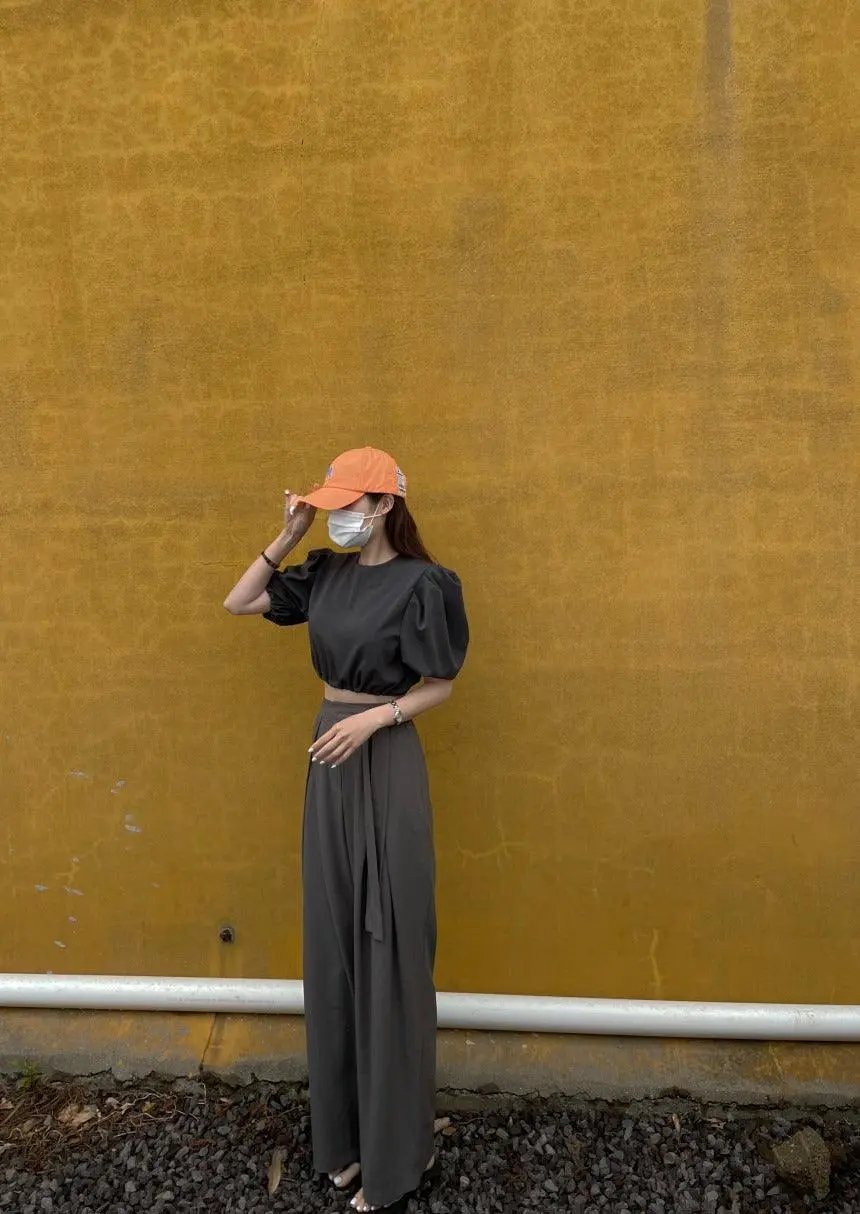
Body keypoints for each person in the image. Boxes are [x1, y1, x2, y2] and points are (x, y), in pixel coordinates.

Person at [223, 446, 469, 1212]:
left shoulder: (425, 584)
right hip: (328, 761)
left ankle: (400, 1154)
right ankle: (347, 1141)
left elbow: (442, 683)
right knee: (334, 944)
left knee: (388, 942)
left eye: (347, 505)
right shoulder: (324, 573)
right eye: (328, 505)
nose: (336, 517)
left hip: (383, 756)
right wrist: (288, 534)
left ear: (385, 504)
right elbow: (238, 601)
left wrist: (375, 719)